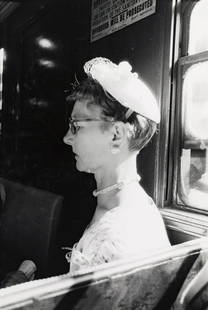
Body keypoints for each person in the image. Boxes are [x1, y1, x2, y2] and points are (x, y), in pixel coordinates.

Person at [63, 57, 171, 274]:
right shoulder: (123, 202)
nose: (67, 138)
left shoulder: (118, 240)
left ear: (116, 135)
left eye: (76, 126)